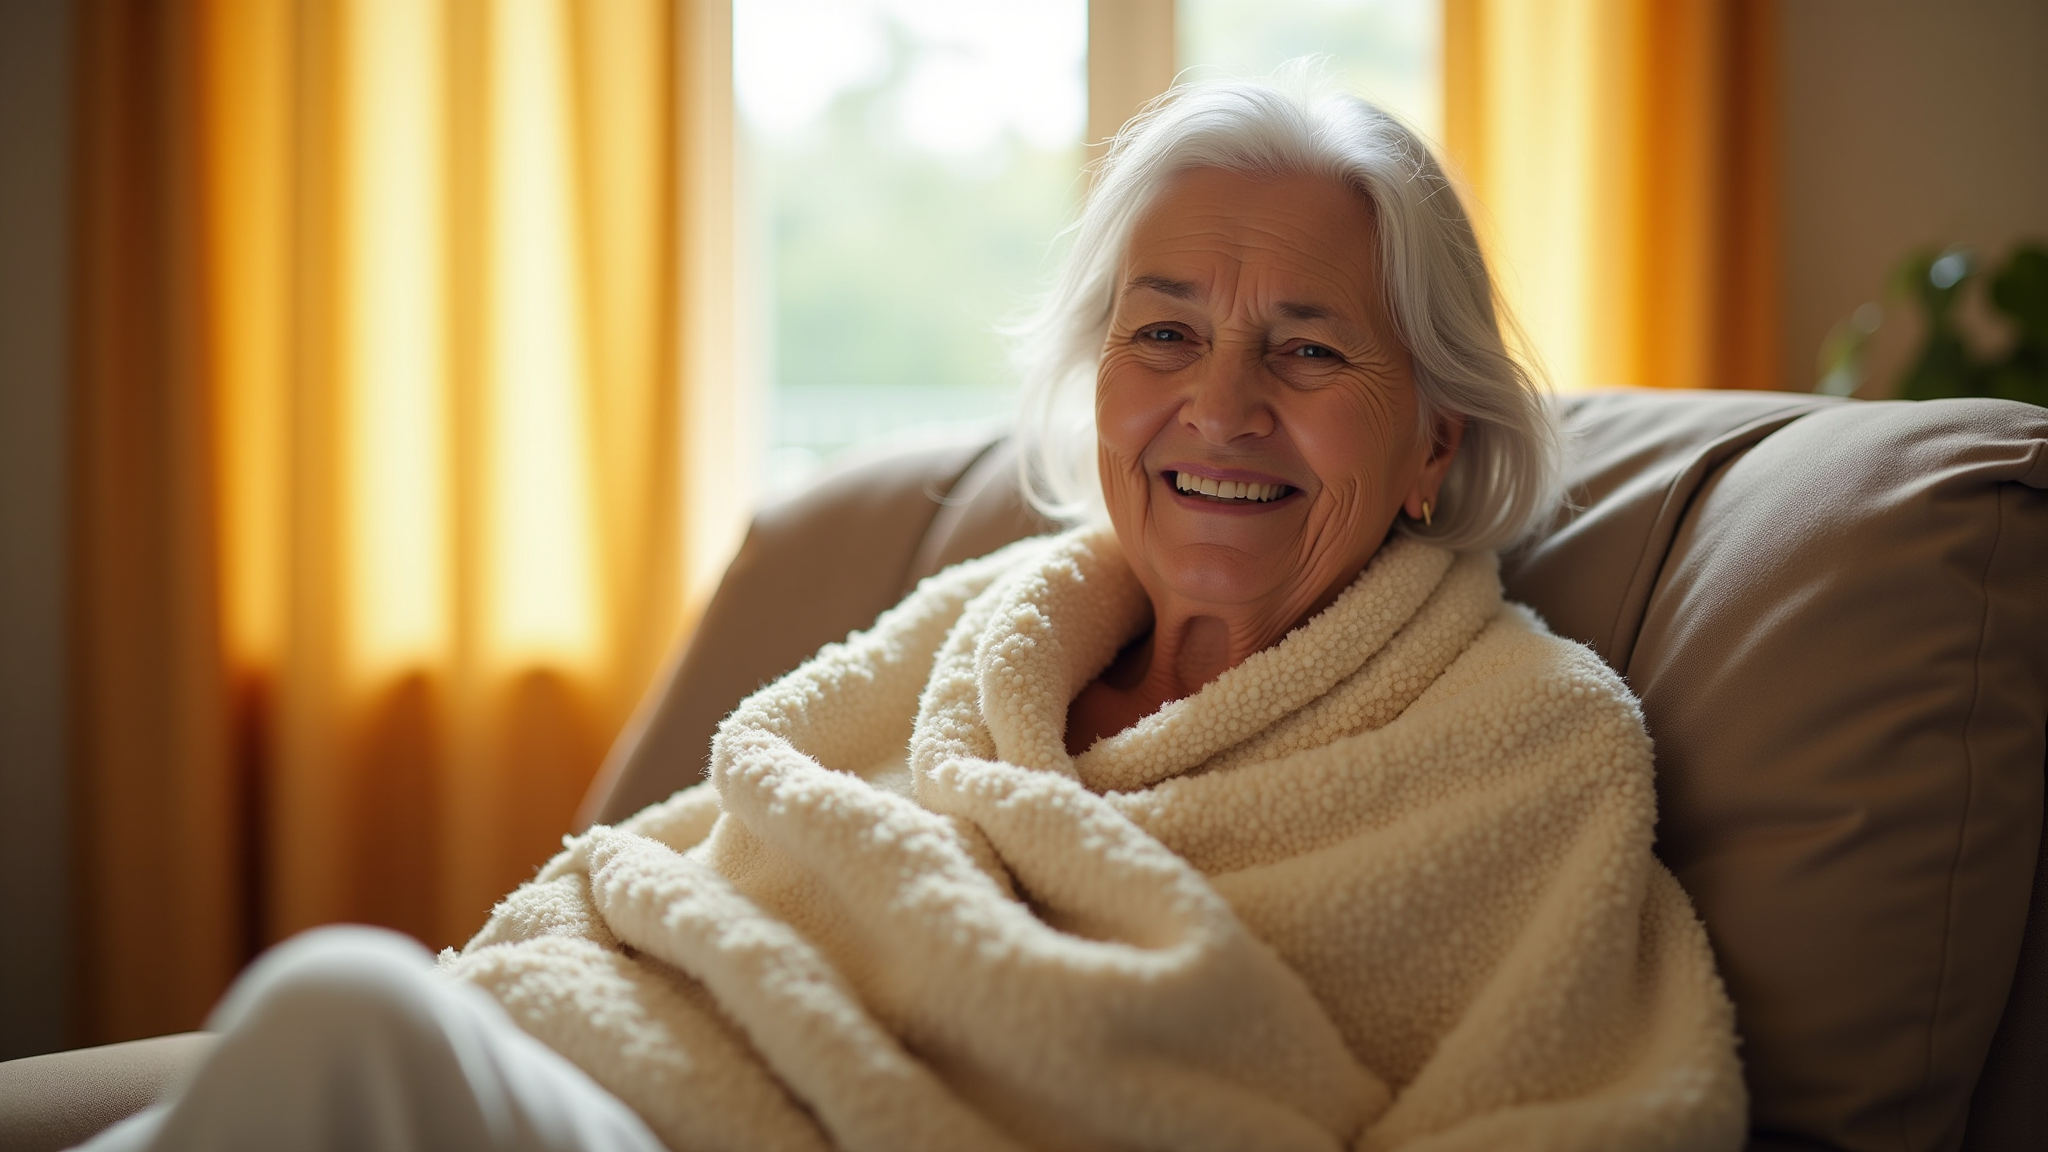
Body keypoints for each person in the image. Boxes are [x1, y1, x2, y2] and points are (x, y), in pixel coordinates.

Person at [82, 74, 1745, 1152]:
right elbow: (649, 900)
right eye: (1164, 334)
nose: (1220, 407)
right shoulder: (983, 628)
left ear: (1433, 440)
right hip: (634, 1103)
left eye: (1306, 350)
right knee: (354, 1021)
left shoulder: (1528, 744)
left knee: (345, 1012)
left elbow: (1594, 1111)